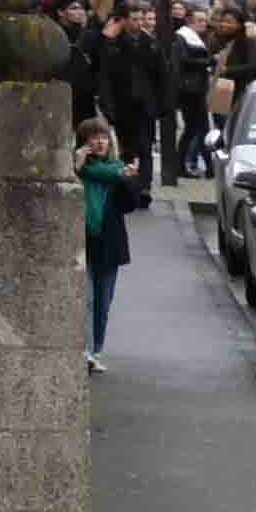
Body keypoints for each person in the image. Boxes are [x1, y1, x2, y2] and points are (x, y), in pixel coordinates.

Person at [76, 118, 144, 372]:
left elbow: (130, 205)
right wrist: (75, 166)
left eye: (103, 136)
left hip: (110, 246)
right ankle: (85, 351)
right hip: (84, 243)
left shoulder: (118, 171)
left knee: (103, 304)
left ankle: (96, 350)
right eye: (92, 137)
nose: (99, 141)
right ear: (83, 142)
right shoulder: (79, 170)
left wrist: (128, 179)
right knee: (87, 300)